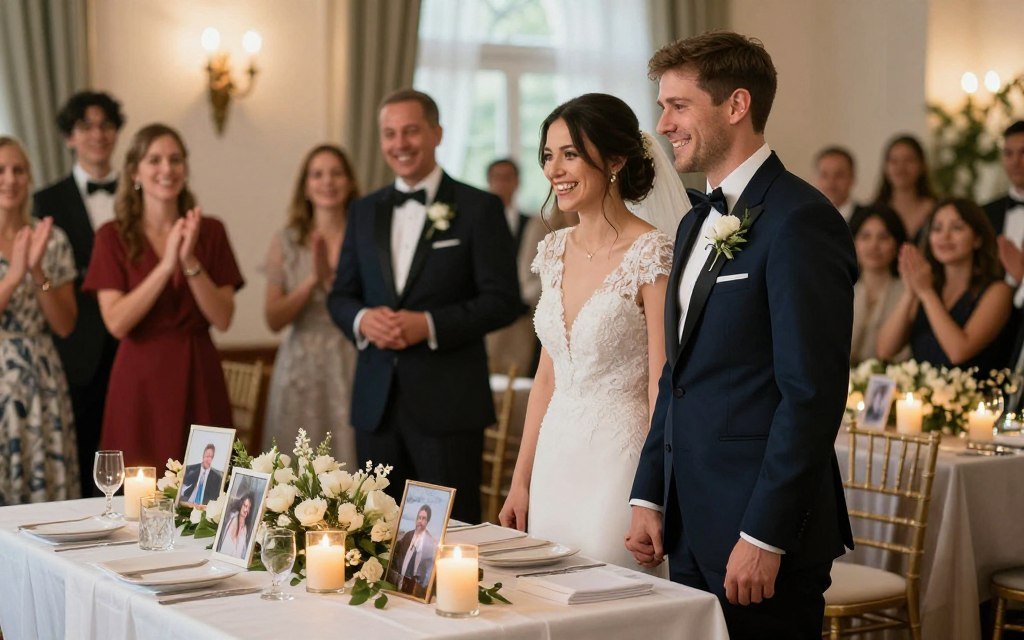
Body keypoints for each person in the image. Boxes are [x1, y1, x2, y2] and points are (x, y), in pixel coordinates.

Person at [625, 32, 855, 639]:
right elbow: (678, 376)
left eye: (678, 105)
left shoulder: (801, 221)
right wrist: (650, 495)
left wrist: (765, 534)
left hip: (759, 530)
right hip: (689, 520)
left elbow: (811, 395)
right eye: (662, 105)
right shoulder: (693, 222)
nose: (663, 122)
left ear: (736, 106)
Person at [498, 93, 679, 574]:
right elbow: (546, 381)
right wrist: (521, 481)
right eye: (548, 155)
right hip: (555, 460)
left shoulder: (651, 254)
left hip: (619, 464)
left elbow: (661, 383)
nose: (554, 169)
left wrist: (651, 493)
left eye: (570, 154)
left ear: (615, 160)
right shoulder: (553, 250)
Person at [327, 89, 521, 523]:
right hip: (375, 405)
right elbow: (340, 295)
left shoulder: (479, 208)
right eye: (390, 134)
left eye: (411, 131)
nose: (400, 144)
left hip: (449, 405)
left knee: (450, 533)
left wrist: (429, 325)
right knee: (372, 532)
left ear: (436, 133)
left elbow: (503, 300)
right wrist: (362, 319)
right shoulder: (363, 211)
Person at [83, 124, 244, 467]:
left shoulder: (211, 231)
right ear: (134, 171)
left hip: (199, 374)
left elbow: (223, 317)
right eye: (154, 160)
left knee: (205, 499)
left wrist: (187, 261)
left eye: (175, 159)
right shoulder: (111, 237)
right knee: (136, 500)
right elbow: (116, 322)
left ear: (185, 169)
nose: (166, 169)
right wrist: (165, 265)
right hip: (139, 380)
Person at [33, 91, 124, 497]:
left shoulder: (138, 196)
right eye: (86, 126)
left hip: (131, 342)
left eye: (105, 125)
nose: (97, 135)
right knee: (85, 462)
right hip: (76, 349)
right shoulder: (46, 201)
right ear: (70, 137)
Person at [262, 144, 359, 468]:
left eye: (336, 173)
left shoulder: (363, 237)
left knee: (352, 459)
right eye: (317, 174)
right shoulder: (287, 240)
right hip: (300, 365)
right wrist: (311, 281)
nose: (327, 182)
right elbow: (273, 319)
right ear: (305, 185)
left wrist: (331, 281)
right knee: (297, 461)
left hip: (351, 359)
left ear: (349, 181)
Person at [0, 137, 79, 505]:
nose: (10, 178)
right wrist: (12, 277)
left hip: (40, 380)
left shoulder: (54, 240)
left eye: (18, 170)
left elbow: (65, 326)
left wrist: (35, 270)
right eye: (1, 170)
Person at [877, 198, 1012, 374]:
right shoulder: (926, 284)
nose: (945, 236)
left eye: (957, 228)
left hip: (973, 397)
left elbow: (958, 352)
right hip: (919, 397)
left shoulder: (998, 290)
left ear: (977, 238)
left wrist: (926, 292)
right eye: (937, 228)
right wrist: (910, 292)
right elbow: (885, 350)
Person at [484, 158, 547, 376]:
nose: (502, 183)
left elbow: (541, 271)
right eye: (497, 178)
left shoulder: (533, 224)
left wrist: (521, 299)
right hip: (486, 318)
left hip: (520, 319)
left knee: (516, 381)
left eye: (508, 178)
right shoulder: (477, 222)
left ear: (517, 182)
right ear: (489, 182)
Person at [984, 121, 1024, 371]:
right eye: (1008, 153)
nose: (1015, 161)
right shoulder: (987, 213)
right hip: (992, 330)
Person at [849, 205, 909, 364]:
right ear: (853, 243)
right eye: (865, 237)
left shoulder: (907, 292)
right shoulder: (841, 290)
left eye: (883, 237)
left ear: (897, 245)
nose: (874, 245)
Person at [873, 134, 938, 240]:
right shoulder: (874, 212)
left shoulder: (936, 210)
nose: (901, 168)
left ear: (922, 166)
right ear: (885, 167)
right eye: (894, 161)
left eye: (909, 160)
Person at [386, 504, 437, 597]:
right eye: (419, 518)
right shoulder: (407, 536)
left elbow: (427, 574)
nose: (420, 521)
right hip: (397, 588)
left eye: (424, 519)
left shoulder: (430, 543)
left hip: (415, 593)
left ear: (427, 521)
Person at [814, 146, 864, 223]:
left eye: (839, 175)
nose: (831, 182)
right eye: (824, 175)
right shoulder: (807, 218)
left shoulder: (867, 219)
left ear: (852, 178)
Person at [179, 443, 223, 508]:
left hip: (203, 508)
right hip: (187, 504)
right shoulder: (190, 469)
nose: (208, 459)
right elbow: (183, 488)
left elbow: (215, 499)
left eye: (211, 457)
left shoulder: (217, 477)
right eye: (207, 456)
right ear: (203, 456)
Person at [217, 492, 254, 559]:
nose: (246, 510)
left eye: (249, 508)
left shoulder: (245, 528)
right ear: (240, 504)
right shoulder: (232, 518)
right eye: (245, 506)